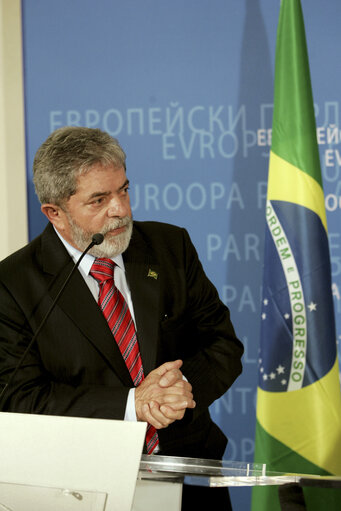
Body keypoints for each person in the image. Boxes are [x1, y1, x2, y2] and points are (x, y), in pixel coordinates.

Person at [0, 126, 243, 510]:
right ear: (55, 213)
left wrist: (176, 391)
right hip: (80, 486)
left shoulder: (169, 247)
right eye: (99, 200)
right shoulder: (13, 285)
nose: (120, 210)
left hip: (187, 474)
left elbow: (222, 344)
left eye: (123, 190)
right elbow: (19, 397)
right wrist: (132, 404)